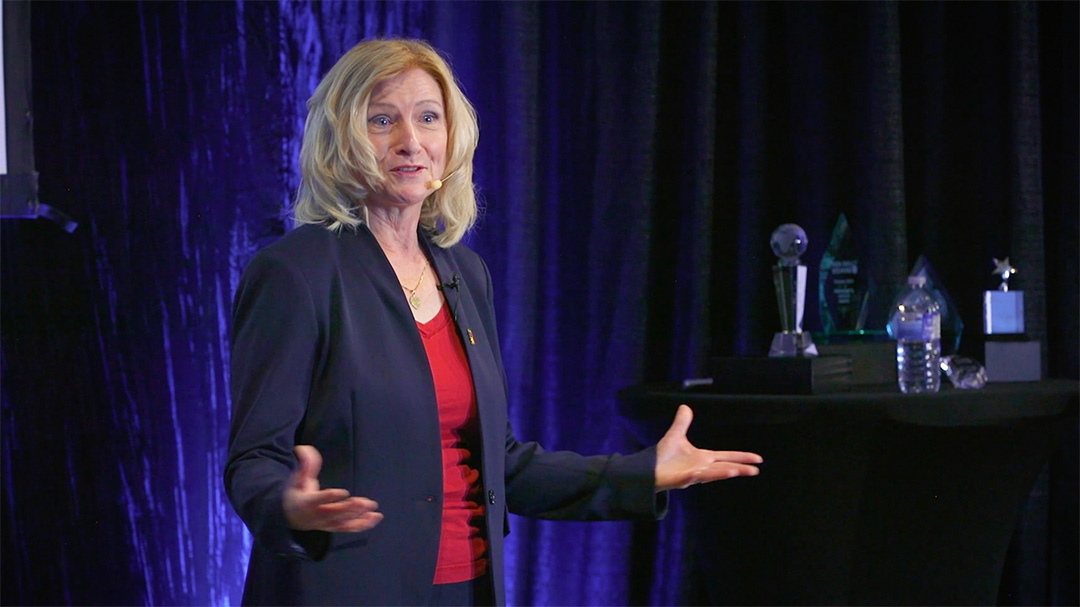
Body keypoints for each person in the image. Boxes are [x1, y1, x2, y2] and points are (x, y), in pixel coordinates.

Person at [224, 38, 763, 607]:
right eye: (382, 120)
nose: (410, 141)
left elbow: (502, 465)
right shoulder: (296, 273)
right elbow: (254, 458)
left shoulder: (463, 272)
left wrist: (642, 472)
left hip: (470, 588)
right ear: (342, 138)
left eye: (428, 118)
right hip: (347, 588)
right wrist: (287, 504)